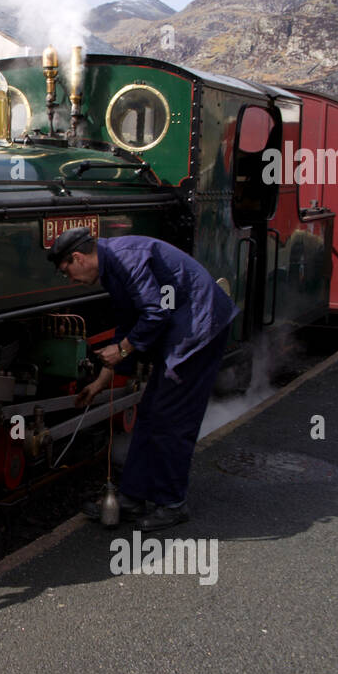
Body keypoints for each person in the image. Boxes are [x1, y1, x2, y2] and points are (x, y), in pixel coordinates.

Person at [47, 227, 238, 530]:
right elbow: (128, 323)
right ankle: (132, 497)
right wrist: (100, 382)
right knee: (149, 415)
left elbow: (154, 313)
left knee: (172, 419)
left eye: (66, 271)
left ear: (78, 257)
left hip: (199, 329)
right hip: (183, 326)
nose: (70, 280)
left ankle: (172, 503)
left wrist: (122, 351)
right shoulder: (112, 267)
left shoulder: (127, 260)